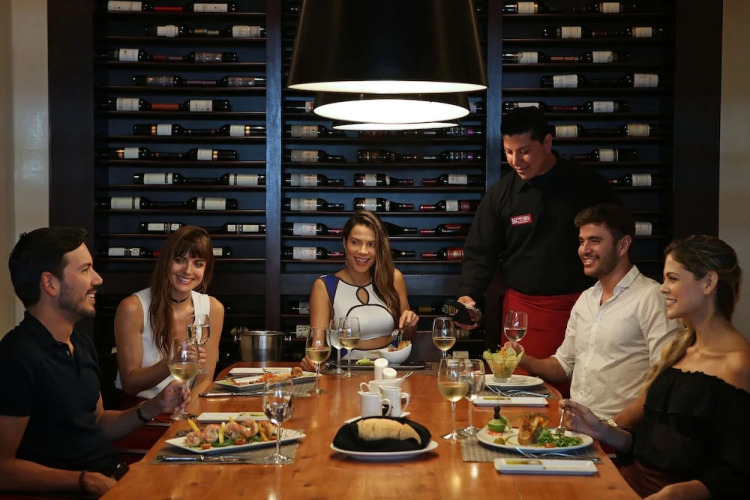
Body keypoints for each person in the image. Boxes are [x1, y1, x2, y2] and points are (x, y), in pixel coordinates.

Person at [0, 227, 187, 497]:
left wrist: (154, 405)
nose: (98, 279)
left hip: (117, 477)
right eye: (85, 270)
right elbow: (4, 468)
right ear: (50, 283)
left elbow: (97, 422)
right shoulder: (16, 357)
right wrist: (83, 480)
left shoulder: (80, 342)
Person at [563, 235, 750, 499]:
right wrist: (603, 430)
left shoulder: (739, 363)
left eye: (673, 279)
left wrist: (679, 493)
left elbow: (738, 472)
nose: (663, 289)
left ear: (709, 282)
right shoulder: (676, 351)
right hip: (626, 483)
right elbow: (653, 447)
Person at [458, 106, 619, 359]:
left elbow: (616, 240)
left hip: (584, 305)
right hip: (523, 312)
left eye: (524, 151)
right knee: (521, 382)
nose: (516, 161)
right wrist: (469, 296)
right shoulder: (500, 195)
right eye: (509, 152)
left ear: (546, 143)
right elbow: (480, 253)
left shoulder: (588, 186)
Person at [508, 204, 681, 426]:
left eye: (595, 241)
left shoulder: (651, 297)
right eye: (581, 241)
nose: (584, 250)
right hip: (575, 427)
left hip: (619, 433)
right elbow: (564, 366)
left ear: (623, 245)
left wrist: (607, 429)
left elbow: (664, 382)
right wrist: (524, 360)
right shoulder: (586, 298)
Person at [115, 225, 224, 402]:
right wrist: (171, 363)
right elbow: (130, 384)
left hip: (187, 408)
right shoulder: (132, 307)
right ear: (166, 261)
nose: (187, 270)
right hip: (141, 411)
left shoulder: (213, 309)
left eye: (198, 263)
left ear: (206, 270)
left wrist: (187, 409)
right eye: (180, 260)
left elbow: (204, 379)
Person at [301, 211, 419, 371]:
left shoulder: (393, 278)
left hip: (390, 369)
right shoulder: (324, 286)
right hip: (346, 371)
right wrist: (313, 361)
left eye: (371, 244)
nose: (363, 251)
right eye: (355, 242)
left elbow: (408, 336)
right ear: (345, 243)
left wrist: (410, 325)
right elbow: (318, 345)